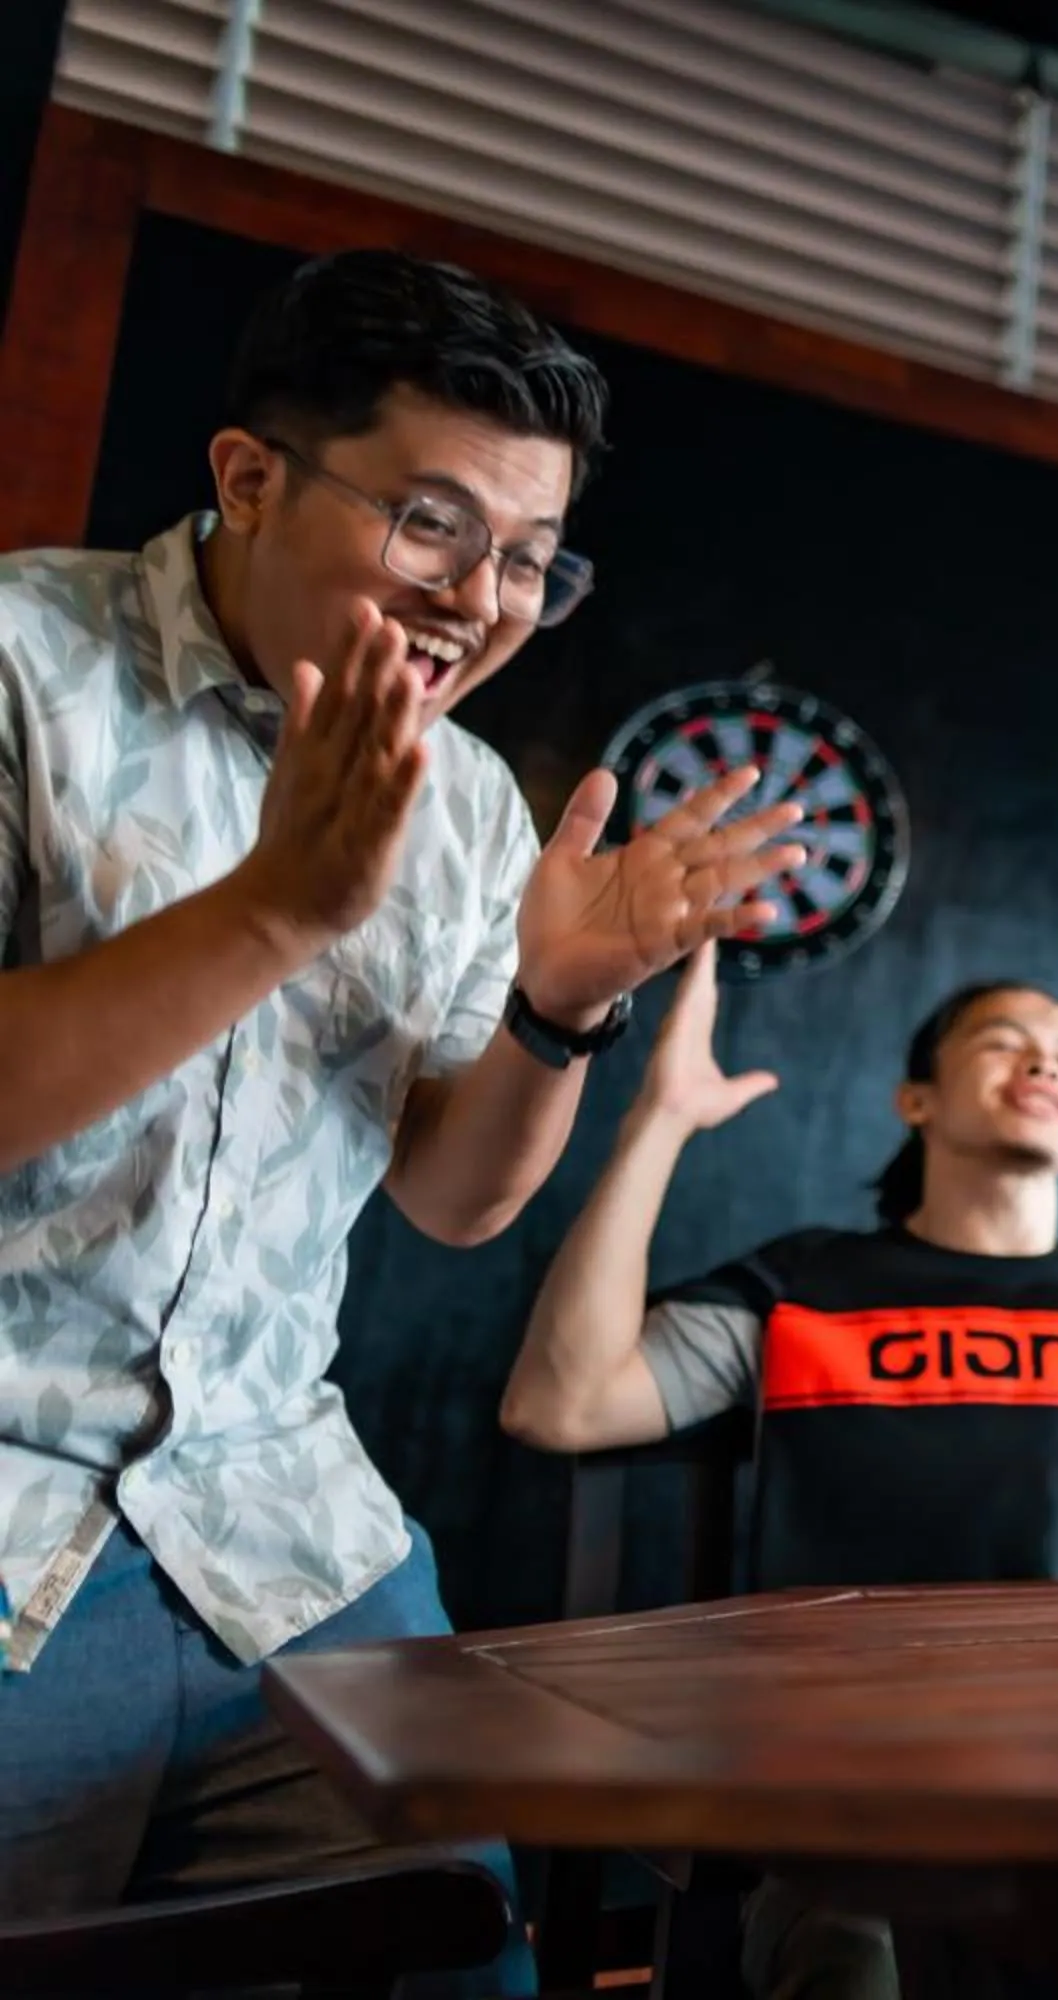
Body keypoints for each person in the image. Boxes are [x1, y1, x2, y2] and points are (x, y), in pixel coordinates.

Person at [0, 251, 805, 1975]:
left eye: (530, 559)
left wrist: (560, 1008)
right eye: (434, 525)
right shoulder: (18, 668)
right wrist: (273, 907)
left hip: (284, 1531)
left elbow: (454, 1197)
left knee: (459, 1952)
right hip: (11, 1512)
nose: (484, 601)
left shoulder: (469, 809)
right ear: (247, 477)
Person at [500, 954, 1058, 2000]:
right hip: (848, 1805)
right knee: (864, 1948)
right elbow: (562, 1400)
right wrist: (660, 1120)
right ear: (917, 1099)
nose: (1045, 1054)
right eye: (1005, 1035)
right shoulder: (804, 1282)